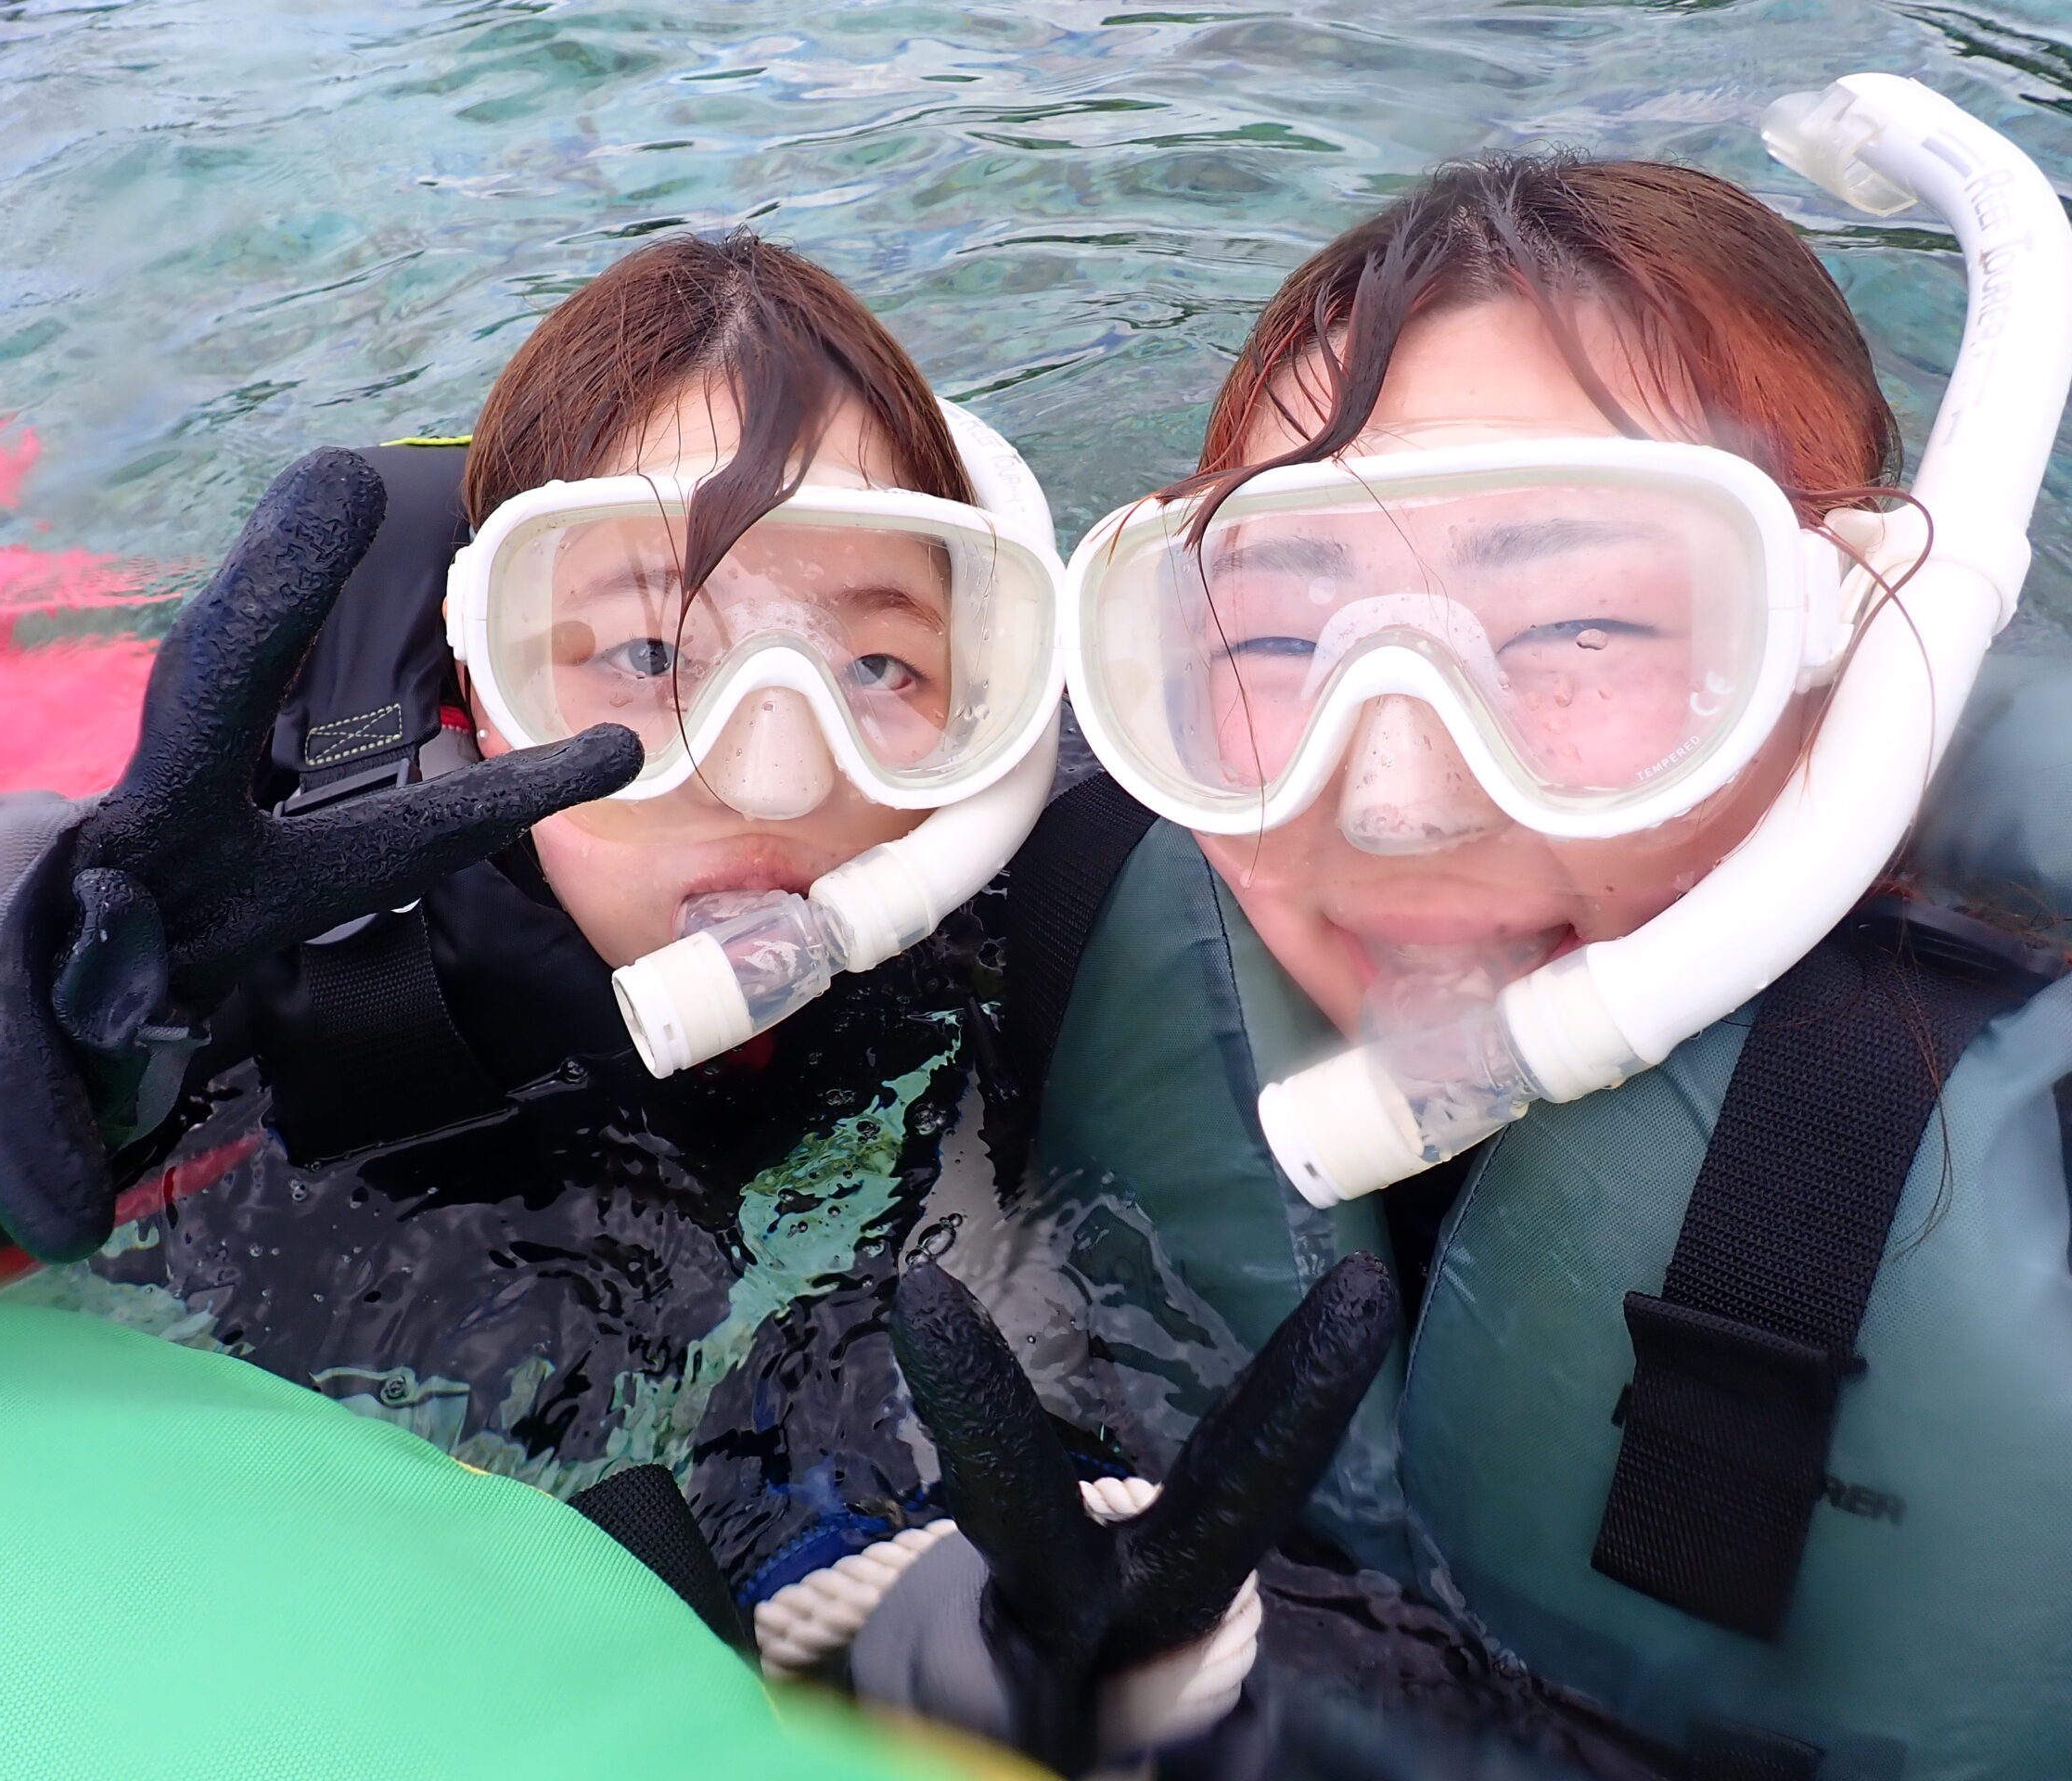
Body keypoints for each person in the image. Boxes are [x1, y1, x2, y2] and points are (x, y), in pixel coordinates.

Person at [0, 232, 1491, 1778]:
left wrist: (952, 1629)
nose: (773, 778)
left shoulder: (1017, 929)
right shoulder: (257, 949)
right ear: (484, 684)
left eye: (877, 664)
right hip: (208, 851)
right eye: (650, 654)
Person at [838, 72, 2069, 1781]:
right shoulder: (1058, 907)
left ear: (1851, 652)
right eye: (1277, 643)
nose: (1397, 799)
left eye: (1576, 625)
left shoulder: (2042, 1177)